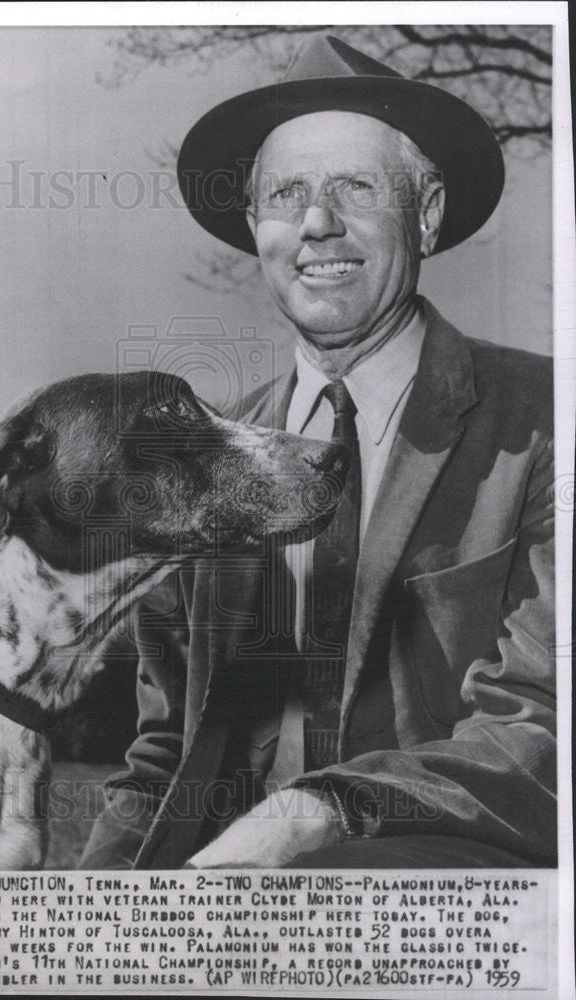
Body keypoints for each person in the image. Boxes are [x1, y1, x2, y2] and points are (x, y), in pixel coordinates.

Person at [79, 35, 555, 869]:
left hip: (455, 890)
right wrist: (78, 928)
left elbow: (545, 719)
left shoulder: (550, 419)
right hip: (216, 901)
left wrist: (324, 809)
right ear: (254, 224)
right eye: (286, 194)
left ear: (428, 212)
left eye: (356, 187)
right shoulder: (199, 466)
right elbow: (161, 756)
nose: (317, 223)